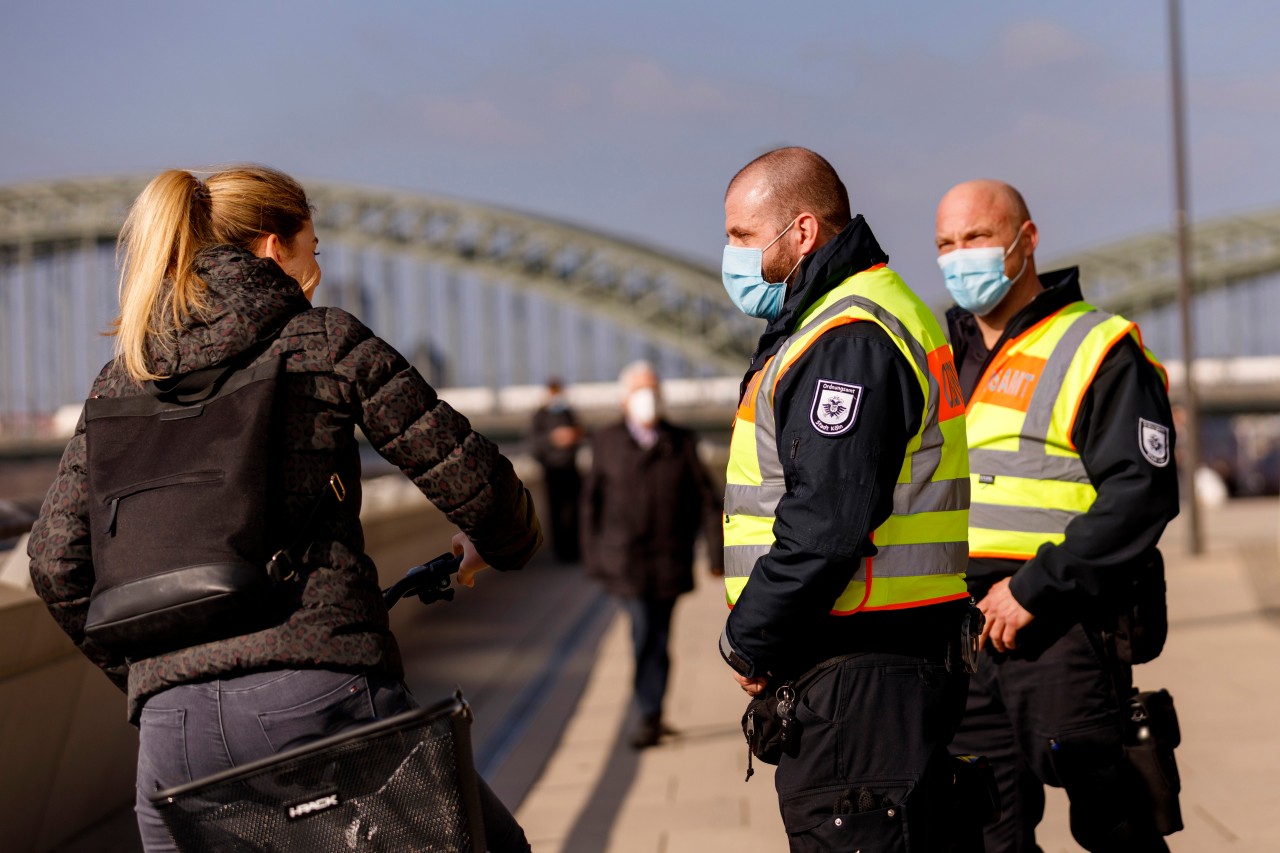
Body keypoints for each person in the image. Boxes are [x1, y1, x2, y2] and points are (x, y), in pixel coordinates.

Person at [26, 166, 541, 853]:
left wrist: (157, 673)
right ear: (273, 249)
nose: (318, 271)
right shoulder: (322, 341)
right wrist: (503, 541)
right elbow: (476, 482)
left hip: (170, 738)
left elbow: (55, 563)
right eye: (314, 249)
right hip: (317, 694)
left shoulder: (124, 376)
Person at [717, 147, 973, 851]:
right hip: (885, 662)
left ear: (799, 233)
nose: (731, 255)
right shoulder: (854, 317)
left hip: (862, 668)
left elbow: (826, 522)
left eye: (741, 235)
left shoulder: (848, 338)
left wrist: (749, 638)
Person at [936, 179, 1180, 852]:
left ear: (1026, 239)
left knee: (1112, 819)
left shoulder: (1098, 345)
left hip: (1061, 623)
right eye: (946, 244)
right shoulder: (940, 358)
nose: (961, 257)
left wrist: (1032, 589)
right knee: (985, 829)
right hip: (964, 633)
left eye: (978, 237)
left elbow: (1142, 493)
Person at [579, 361, 724, 749]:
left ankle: (654, 712)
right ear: (624, 398)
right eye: (642, 390)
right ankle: (648, 714)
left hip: (670, 558)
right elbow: (590, 503)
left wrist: (715, 555)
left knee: (660, 636)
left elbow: (709, 502)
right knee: (644, 632)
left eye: (654, 389)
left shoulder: (682, 441)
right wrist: (592, 558)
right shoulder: (605, 441)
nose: (650, 397)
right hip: (624, 561)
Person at [529, 377, 584, 562]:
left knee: (575, 510)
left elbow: (581, 434)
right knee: (556, 512)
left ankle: (575, 550)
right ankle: (561, 553)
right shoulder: (540, 416)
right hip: (553, 471)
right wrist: (553, 439)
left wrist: (574, 436)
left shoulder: (568, 413)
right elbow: (533, 444)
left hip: (571, 469)